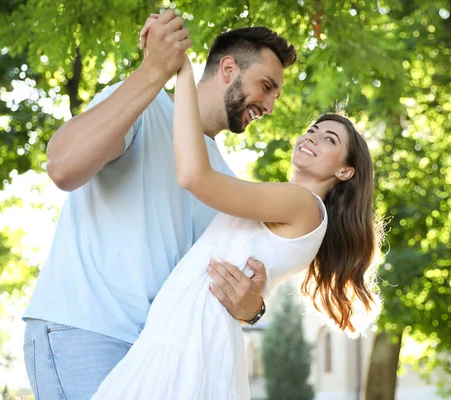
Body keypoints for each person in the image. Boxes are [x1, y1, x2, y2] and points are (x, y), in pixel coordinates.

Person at [22, 10, 297, 400]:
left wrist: (252, 309)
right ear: (229, 68)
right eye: (266, 86)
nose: (269, 105)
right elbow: (63, 167)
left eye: (275, 95)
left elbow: (217, 287)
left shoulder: (224, 181)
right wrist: (156, 69)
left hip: (154, 357)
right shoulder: (142, 107)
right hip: (85, 331)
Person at [91, 52, 381, 399]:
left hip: (191, 341)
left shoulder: (302, 204)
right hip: (178, 335)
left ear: (344, 172)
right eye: (312, 130)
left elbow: (194, 176)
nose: (312, 137)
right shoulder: (285, 204)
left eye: (329, 139)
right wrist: (255, 309)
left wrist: (183, 73)